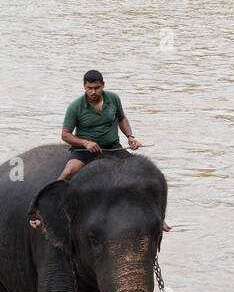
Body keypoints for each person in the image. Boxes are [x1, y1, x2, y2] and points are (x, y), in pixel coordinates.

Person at [29, 69, 170, 229]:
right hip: (85, 151)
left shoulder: (113, 99)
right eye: (89, 88)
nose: (93, 92)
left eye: (97, 88)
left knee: (140, 171)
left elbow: (121, 118)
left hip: (112, 148)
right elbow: (65, 135)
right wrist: (85, 143)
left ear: (103, 85)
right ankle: (44, 214)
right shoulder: (76, 107)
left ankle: (157, 217)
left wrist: (130, 136)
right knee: (68, 172)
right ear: (84, 87)